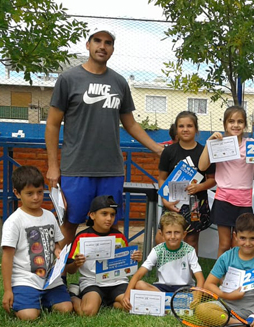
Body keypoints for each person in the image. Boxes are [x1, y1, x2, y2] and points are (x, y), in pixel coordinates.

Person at [44, 27, 164, 247]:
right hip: (76, 169)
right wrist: (53, 166)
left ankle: (108, 281)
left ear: (112, 49)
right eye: (97, 41)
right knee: (70, 224)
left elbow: (130, 123)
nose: (102, 46)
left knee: (110, 224)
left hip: (111, 170)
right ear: (88, 45)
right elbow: (52, 125)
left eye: (108, 43)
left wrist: (157, 148)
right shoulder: (68, 79)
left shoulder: (119, 82)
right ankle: (58, 278)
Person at [199, 106, 254, 256]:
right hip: (223, 200)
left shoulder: (251, 144)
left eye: (240, 121)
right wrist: (209, 143)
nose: (235, 125)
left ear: (245, 125)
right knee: (224, 245)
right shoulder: (219, 144)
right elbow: (202, 166)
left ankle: (237, 277)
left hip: (244, 202)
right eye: (231, 121)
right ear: (225, 124)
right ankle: (220, 278)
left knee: (238, 244)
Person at [1, 166, 73, 320]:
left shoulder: (49, 216)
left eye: (40, 192)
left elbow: (55, 243)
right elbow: (7, 257)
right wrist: (8, 290)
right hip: (25, 279)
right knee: (29, 316)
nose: (36, 197)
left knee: (66, 309)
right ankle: (29, 301)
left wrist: (58, 252)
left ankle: (44, 299)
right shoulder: (14, 221)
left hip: (50, 279)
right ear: (17, 193)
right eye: (29, 193)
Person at [66, 195, 137, 316]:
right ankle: (73, 296)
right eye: (104, 214)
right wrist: (76, 264)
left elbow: (127, 266)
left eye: (112, 214)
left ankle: (111, 303)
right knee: (87, 312)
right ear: (92, 215)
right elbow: (69, 270)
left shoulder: (119, 237)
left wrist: (134, 259)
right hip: (92, 282)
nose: (109, 218)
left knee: (134, 306)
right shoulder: (81, 238)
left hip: (117, 282)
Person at [158, 111, 216, 253]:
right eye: (181, 126)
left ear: (196, 129)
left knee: (191, 241)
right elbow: (161, 178)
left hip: (195, 204)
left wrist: (199, 187)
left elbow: (213, 180)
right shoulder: (169, 152)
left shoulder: (205, 151)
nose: (185, 129)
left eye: (189, 126)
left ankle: (189, 273)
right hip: (173, 203)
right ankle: (168, 272)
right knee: (164, 239)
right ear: (176, 129)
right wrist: (165, 200)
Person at [121, 213, 204, 307]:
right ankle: (174, 301)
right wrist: (126, 295)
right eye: (168, 232)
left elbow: (200, 278)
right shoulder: (157, 250)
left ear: (184, 234)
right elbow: (139, 274)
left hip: (185, 288)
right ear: (162, 234)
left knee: (200, 292)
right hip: (162, 288)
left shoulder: (189, 250)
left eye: (177, 232)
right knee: (139, 285)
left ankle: (164, 301)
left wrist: (198, 293)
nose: (172, 236)